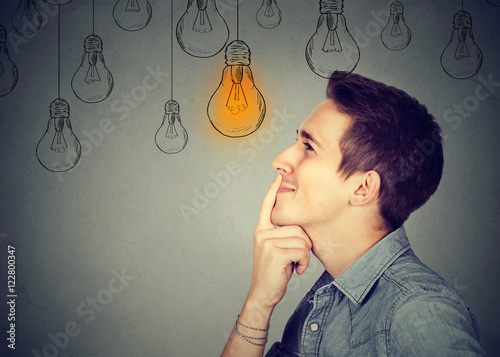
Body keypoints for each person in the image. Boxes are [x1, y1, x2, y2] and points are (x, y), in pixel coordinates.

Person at [221, 71, 486, 356]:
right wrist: (259, 303)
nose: (280, 161)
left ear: (362, 188)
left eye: (309, 147)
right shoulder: (327, 300)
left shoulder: (418, 311)